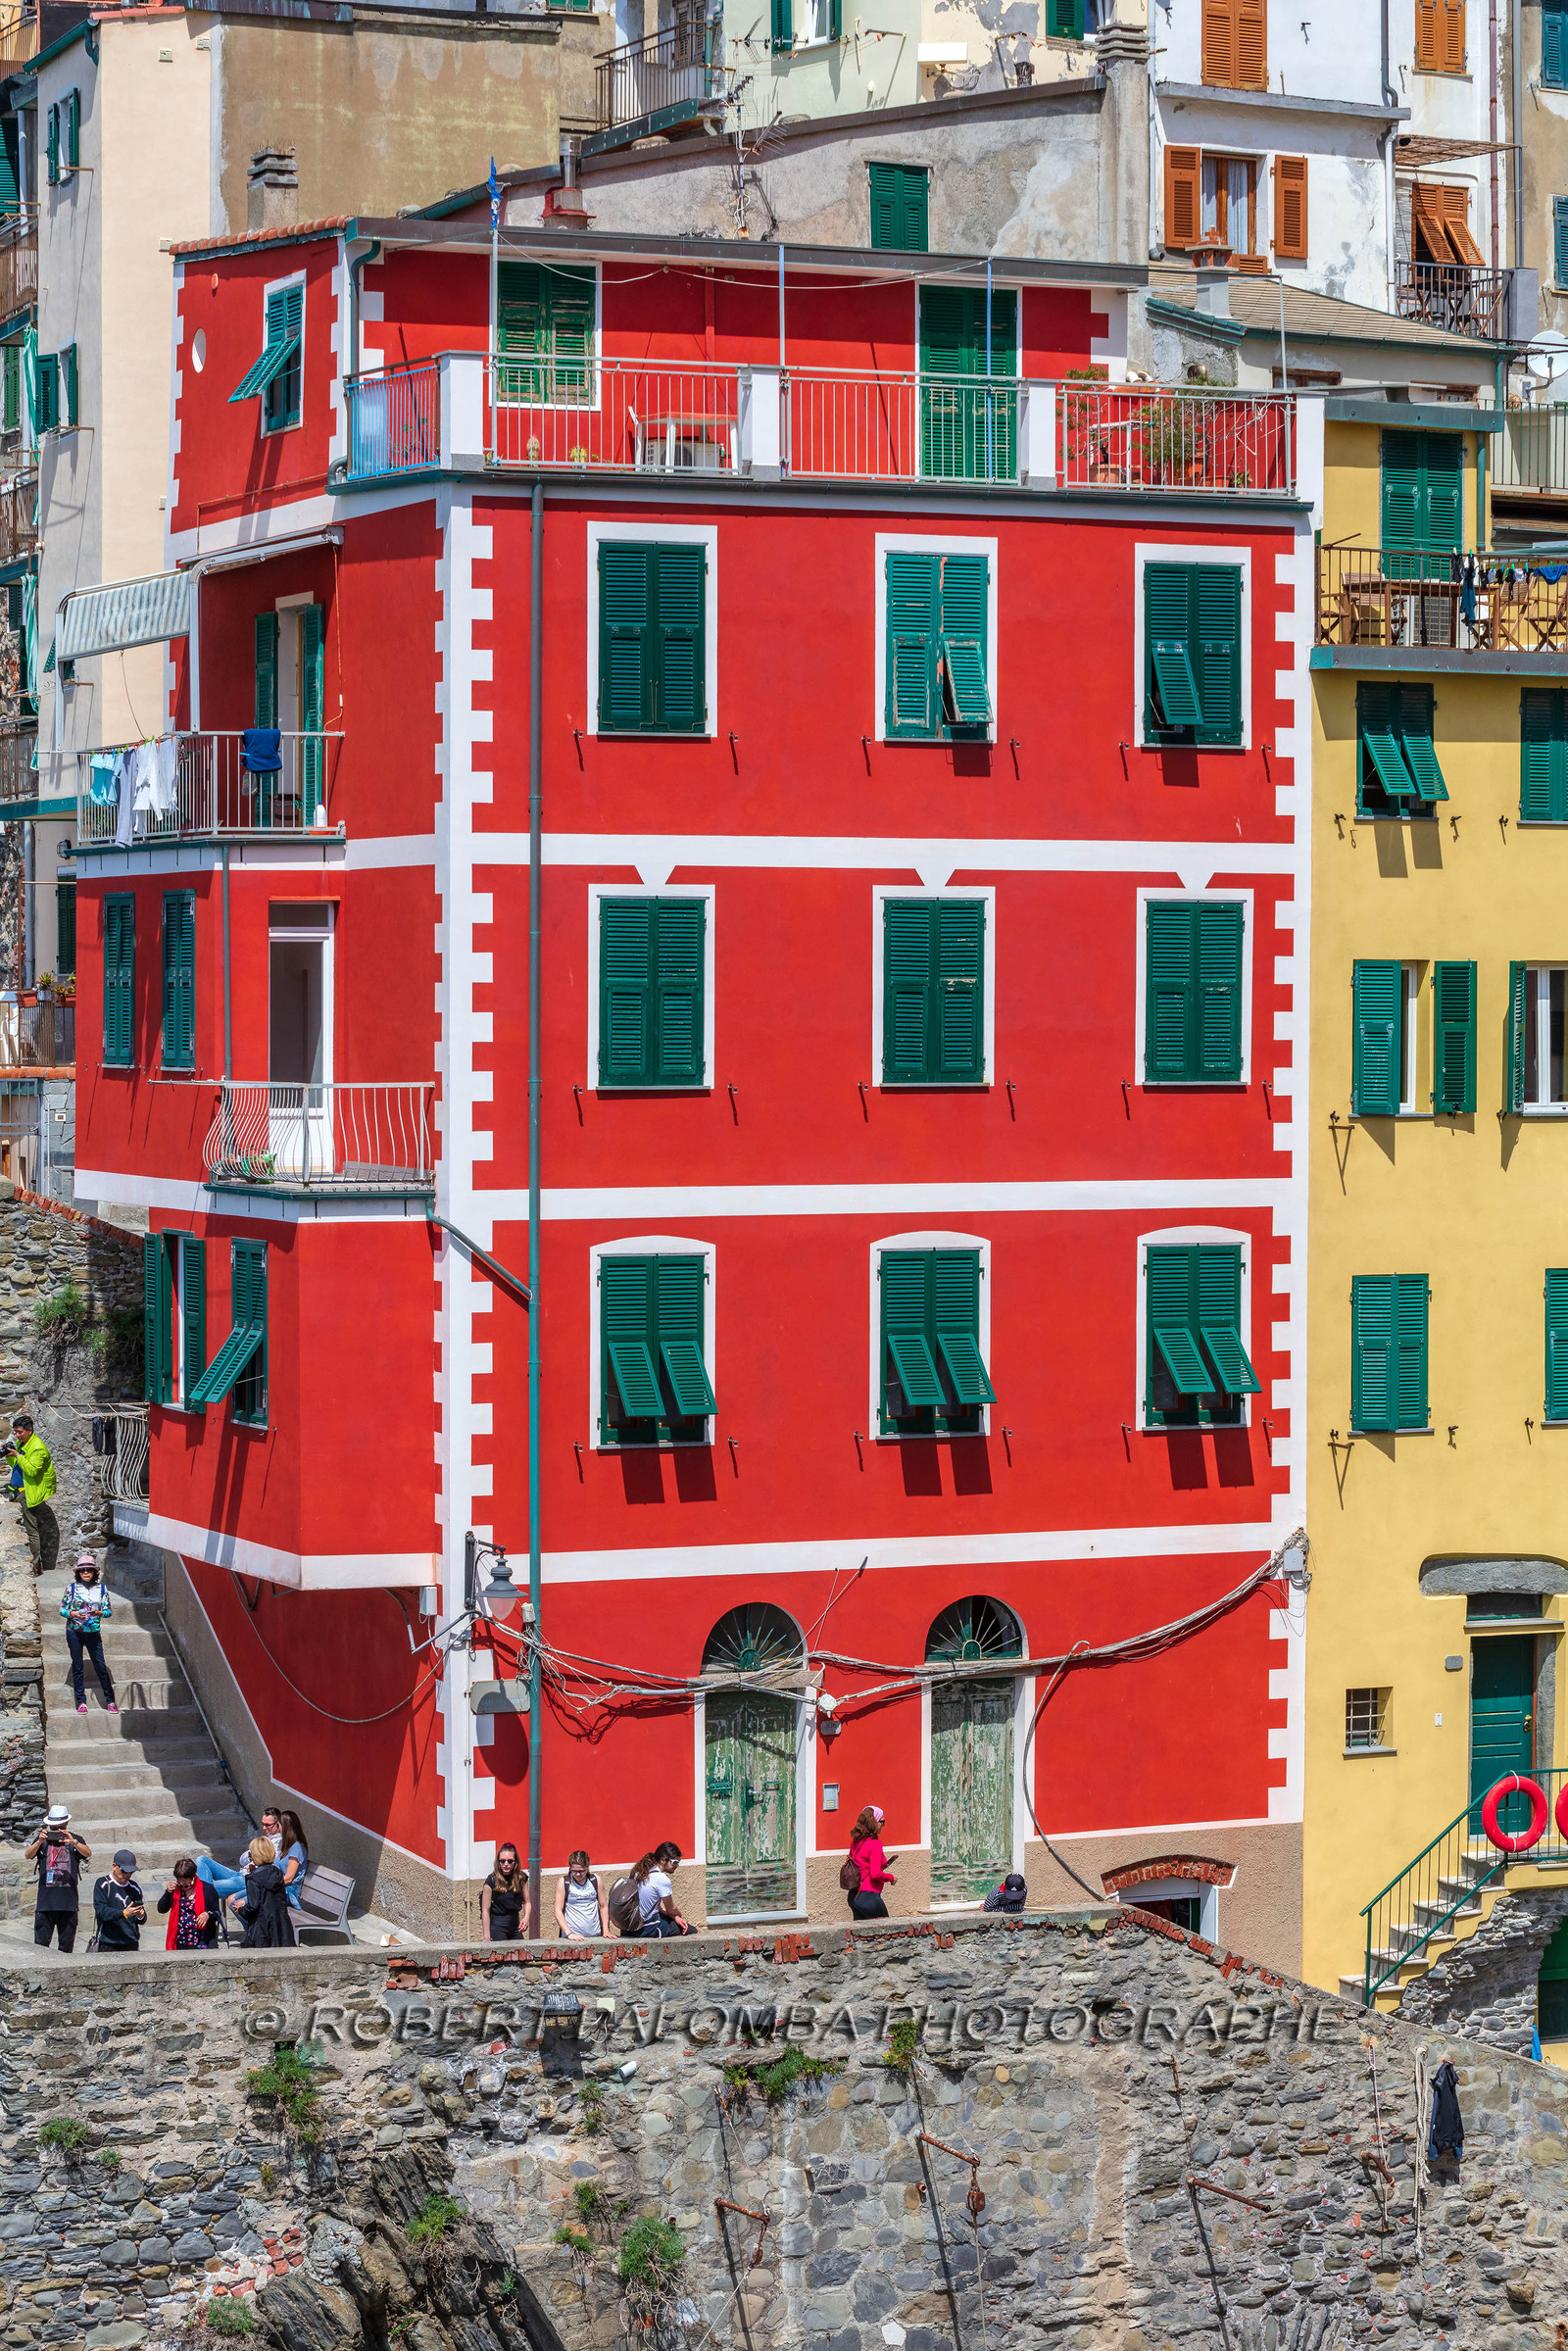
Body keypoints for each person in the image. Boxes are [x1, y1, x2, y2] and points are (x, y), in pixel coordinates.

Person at [25, 1804, 89, 1951]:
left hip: (68, 1904)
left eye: (59, 1826)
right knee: (41, 1948)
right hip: (46, 1903)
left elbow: (87, 1853)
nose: (56, 1830)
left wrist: (73, 1842)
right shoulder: (42, 1840)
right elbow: (28, 1855)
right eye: (53, 1827)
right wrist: (39, 1842)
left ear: (66, 1823)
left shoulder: (75, 1839)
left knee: (66, 1948)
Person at [60, 1553, 117, 1716]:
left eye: (89, 1570)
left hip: (93, 1632)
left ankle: (110, 1701)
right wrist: (74, 1614)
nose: (86, 1572)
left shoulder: (102, 1589)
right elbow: (62, 1610)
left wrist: (99, 1613)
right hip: (74, 1632)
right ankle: (81, 1701)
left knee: (100, 1666)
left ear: (94, 1572)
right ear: (78, 1572)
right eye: (82, 1570)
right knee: (78, 1667)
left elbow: (108, 1612)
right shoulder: (71, 1589)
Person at [198, 1806, 288, 1904]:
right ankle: (204, 1900)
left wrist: (254, 1853)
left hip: (247, 1880)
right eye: (262, 1824)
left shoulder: (279, 1843)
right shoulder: (265, 1839)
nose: (264, 1827)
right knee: (202, 1860)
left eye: (267, 1825)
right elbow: (242, 1860)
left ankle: (203, 1904)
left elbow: (269, 1865)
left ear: (278, 1824)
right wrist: (252, 1854)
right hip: (238, 1875)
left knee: (200, 1887)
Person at [5, 1415, 57, 1579]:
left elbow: (33, 1470)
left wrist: (18, 1456)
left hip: (28, 1493)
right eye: (15, 1432)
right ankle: (35, 1564)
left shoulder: (38, 1448)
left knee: (31, 1529)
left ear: (30, 1430)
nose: (17, 1435)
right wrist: (10, 1455)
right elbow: (17, 1467)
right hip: (19, 1490)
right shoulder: (23, 1443)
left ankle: (34, 1566)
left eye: (20, 1432)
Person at [230, 1837, 295, 1947]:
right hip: (281, 1926)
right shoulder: (278, 1873)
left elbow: (254, 1906)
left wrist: (241, 1910)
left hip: (262, 1929)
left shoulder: (253, 1878)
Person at [845, 1806, 896, 1922]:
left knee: (861, 1937)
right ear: (874, 1823)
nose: (883, 1825)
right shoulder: (875, 1844)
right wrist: (891, 1878)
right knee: (886, 1932)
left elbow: (861, 1865)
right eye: (882, 1821)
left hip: (854, 1896)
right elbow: (875, 1874)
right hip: (869, 1897)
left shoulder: (855, 1842)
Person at [633, 1841, 693, 1937]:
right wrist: (678, 1915)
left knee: (672, 1921)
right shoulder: (661, 1879)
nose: (677, 1865)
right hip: (648, 1927)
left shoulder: (640, 1873)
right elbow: (671, 1909)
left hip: (632, 1927)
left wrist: (674, 1917)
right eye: (675, 1862)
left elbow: (658, 1908)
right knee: (692, 1931)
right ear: (663, 1859)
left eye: (678, 1862)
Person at [158, 1857, 218, 1950]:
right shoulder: (175, 1891)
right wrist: (167, 1893)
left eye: (185, 1880)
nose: (181, 1883)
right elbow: (161, 1909)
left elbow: (217, 1913)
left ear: (193, 1876)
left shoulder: (207, 1889)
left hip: (201, 1940)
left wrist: (207, 1914)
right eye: (179, 1880)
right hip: (180, 1941)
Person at [92, 1850, 146, 1952]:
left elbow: (141, 1918)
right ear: (114, 1866)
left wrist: (140, 1915)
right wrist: (123, 1913)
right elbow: (101, 1911)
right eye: (124, 1871)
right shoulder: (103, 1884)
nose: (128, 1875)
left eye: (131, 1872)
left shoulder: (134, 1888)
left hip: (130, 1942)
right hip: (109, 1942)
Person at [555, 1849, 608, 1939]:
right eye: (574, 1871)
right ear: (570, 1869)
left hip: (595, 1935)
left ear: (587, 1868)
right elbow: (557, 1910)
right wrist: (569, 1934)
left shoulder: (595, 1880)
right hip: (572, 1937)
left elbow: (604, 1906)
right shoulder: (564, 1882)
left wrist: (606, 1930)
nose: (578, 1874)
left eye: (582, 1871)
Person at [481, 1843, 528, 1940]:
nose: (506, 1864)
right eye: (502, 1861)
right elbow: (485, 1910)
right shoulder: (491, 1881)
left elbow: (527, 1902)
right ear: (498, 1862)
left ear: (515, 1862)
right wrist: (487, 1936)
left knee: (521, 1954)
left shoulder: (521, 1878)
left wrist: (526, 1917)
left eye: (510, 1861)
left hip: (515, 1927)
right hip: (497, 1927)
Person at [273, 1808, 309, 1909]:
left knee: (251, 1902)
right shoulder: (286, 1847)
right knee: (243, 1899)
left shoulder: (297, 1847)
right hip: (280, 1890)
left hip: (289, 1893)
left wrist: (269, 1885)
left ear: (285, 1827)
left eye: (278, 1825)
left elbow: (288, 1878)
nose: (277, 1828)